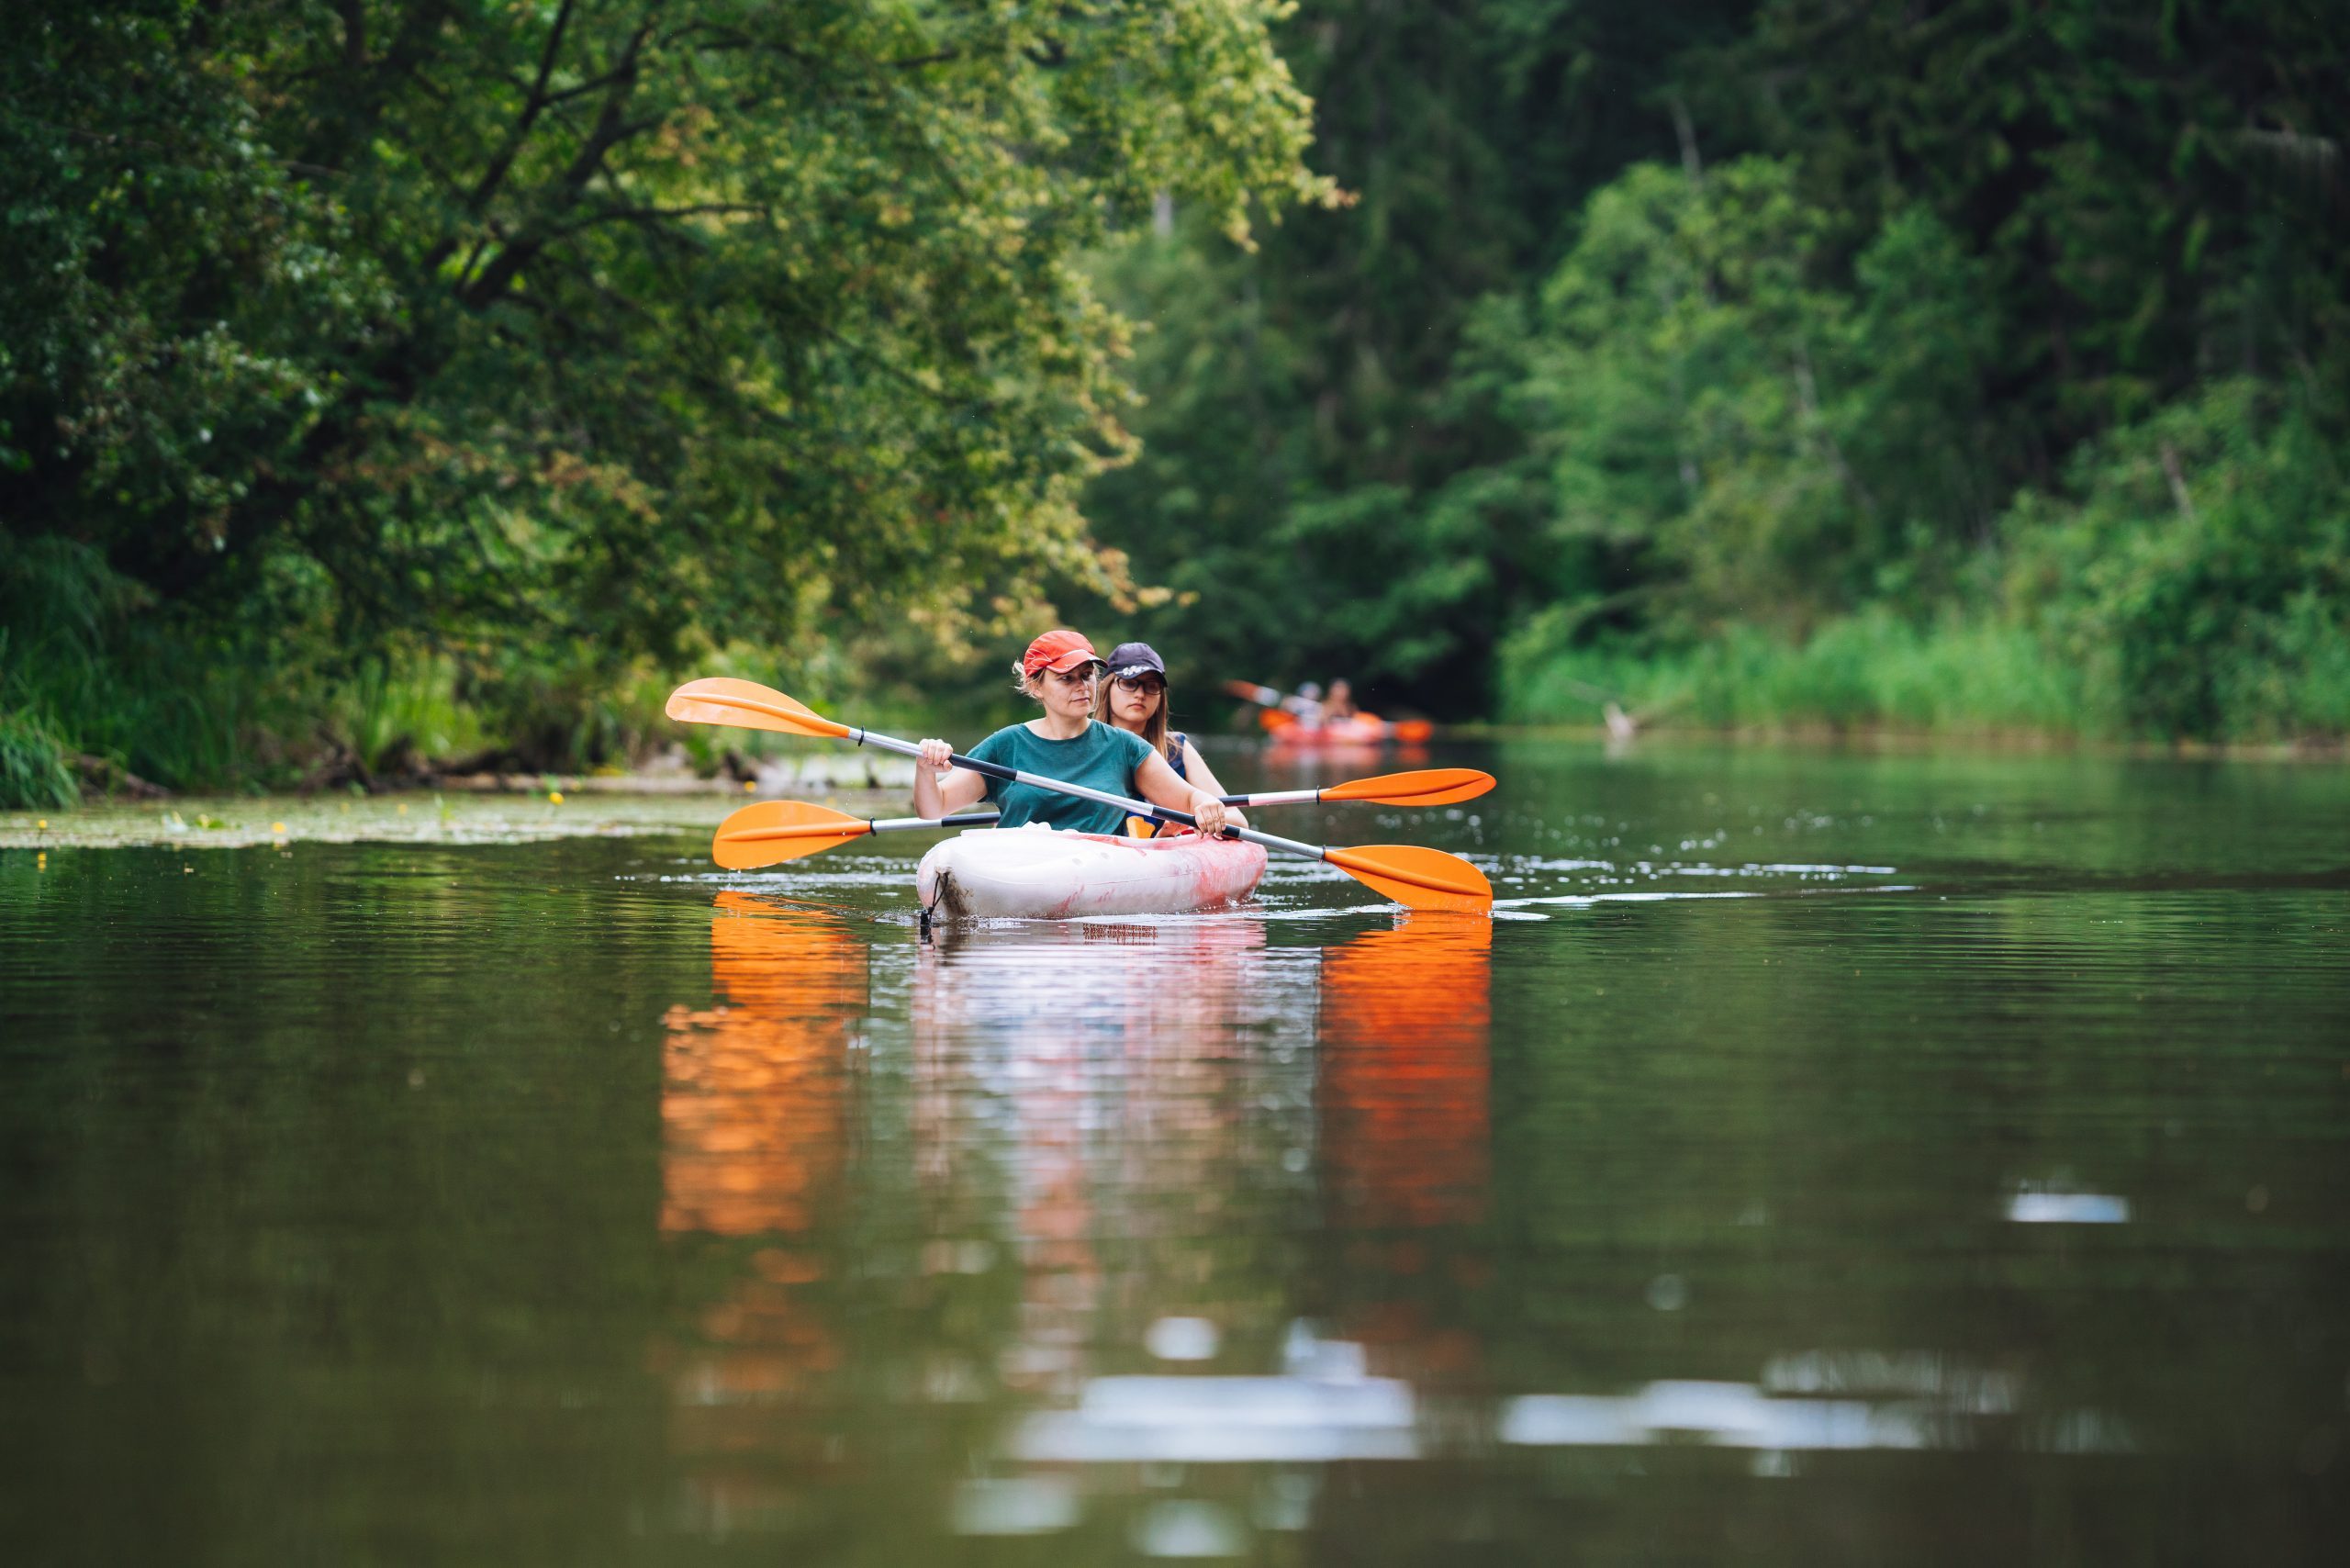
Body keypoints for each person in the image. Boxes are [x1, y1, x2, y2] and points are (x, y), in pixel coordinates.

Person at [913, 630, 1231, 837]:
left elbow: (1188, 798)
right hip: (1018, 872)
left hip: (1099, 876)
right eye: (1067, 679)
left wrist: (1205, 802)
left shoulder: (1126, 748)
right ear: (1036, 687)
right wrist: (925, 770)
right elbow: (933, 808)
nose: (1083, 687)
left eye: (1088, 675)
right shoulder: (1004, 745)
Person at [1095, 642, 1248, 837]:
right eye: (1129, 683)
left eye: (1151, 686)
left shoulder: (1176, 748)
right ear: (1106, 687)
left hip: (1162, 856)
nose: (1140, 694)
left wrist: (1198, 818)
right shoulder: (1086, 744)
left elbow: (1237, 820)